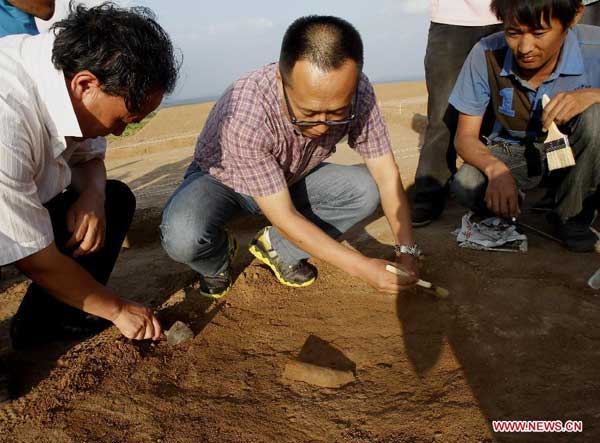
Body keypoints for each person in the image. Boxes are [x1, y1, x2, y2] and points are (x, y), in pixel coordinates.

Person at [161, 15, 419, 299]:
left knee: (365, 189)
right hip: (223, 181)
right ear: (280, 80)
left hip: (292, 175)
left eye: (336, 114)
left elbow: (386, 174)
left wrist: (406, 253)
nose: (322, 126)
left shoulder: (359, 92)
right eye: (307, 114)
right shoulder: (246, 112)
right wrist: (361, 267)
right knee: (182, 235)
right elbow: (283, 214)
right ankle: (217, 261)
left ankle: (278, 248)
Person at [0, 2, 179, 399]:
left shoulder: (65, 80)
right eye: (123, 119)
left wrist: (93, 196)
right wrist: (117, 309)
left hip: (17, 190)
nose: (117, 133)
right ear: (86, 84)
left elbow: (90, 159)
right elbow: (34, 259)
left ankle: (50, 322)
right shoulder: (6, 118)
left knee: (114, 199)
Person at [449, 0, 600, 252]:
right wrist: (495, 170)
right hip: (514, 152)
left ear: (573, 17)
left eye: (539, 33)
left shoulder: (595, 47)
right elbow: (465, 136)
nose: (525, 48)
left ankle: (572, 215)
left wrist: (595, 94)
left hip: (577, 150)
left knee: (596, 116)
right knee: (467, 184)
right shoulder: (486, 53)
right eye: (513, 33)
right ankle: (508, 205)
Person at [411, 0, 502, 227]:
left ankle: (493, 187)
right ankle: (429, 192)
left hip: (509, 15)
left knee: (502, 109)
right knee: (442, 114)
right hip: (452, 18)